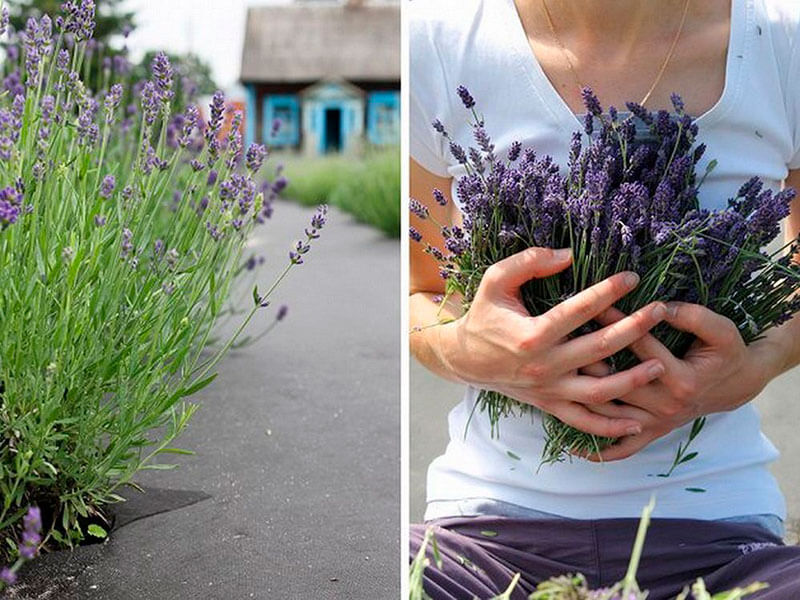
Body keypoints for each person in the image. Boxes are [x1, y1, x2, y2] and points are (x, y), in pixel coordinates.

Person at [408, 0, 800, 598]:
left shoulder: (782, 45)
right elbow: (421, 291)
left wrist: (757, 363)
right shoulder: (438, 45)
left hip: (717, 537)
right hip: (482, 535)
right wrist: (468, 348)